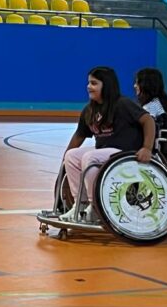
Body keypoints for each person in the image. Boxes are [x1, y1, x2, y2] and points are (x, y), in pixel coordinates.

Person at [61, 66, 156, 222]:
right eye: (88, 83)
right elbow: (79, 135)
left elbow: (148, 120)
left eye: (94, 83)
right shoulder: (89, 110)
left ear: (106, 85)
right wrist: (64, 159)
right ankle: (80, 205)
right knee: (71, 156)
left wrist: (147, 147)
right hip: (104, 152)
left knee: (90, 157)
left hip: (125, 152)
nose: (89, 86)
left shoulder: (122, 103)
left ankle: (96, 206)